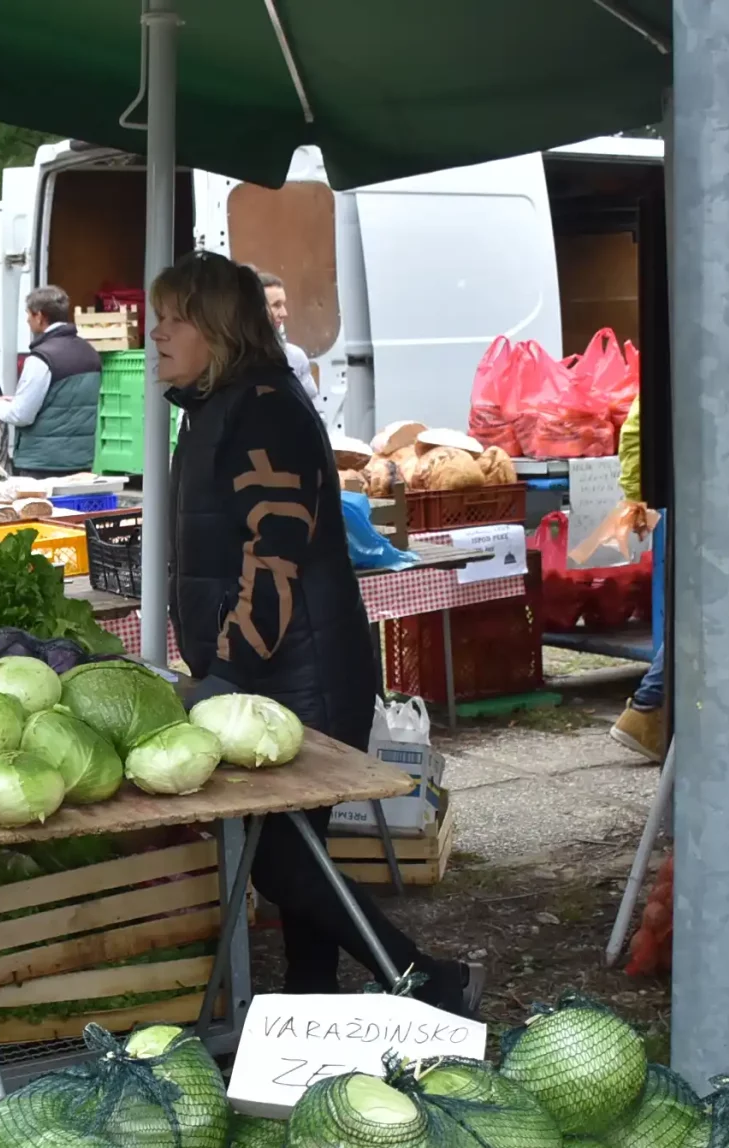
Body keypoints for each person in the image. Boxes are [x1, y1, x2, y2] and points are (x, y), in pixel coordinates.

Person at [152, 251, 483, 1015]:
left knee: (283, 859)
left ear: (220, 328)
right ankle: (314, 1010)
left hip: (296, 674)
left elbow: (276, 551)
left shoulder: (261, 409)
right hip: (274, 673)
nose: (158, 332)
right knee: (297, 852)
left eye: (175, 317)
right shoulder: (216, 406)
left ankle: (425, 978)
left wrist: (228, 670)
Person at [0, 284, 101, 477]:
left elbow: (22, 415)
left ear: (39, 316)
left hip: (42, 465)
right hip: (81, 461)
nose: (27, 320)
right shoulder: (90, 353)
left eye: (28, 314)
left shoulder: (41, 359)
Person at [608, 394, 667, 762]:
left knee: (701, 611)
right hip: (705, 498)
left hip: (695, 494)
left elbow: (634, 429)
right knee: (706, 612)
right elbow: (636, 428)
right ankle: (648, 707)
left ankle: (648, 708)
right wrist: (636, 498)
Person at [257, 269, 324, 407]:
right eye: (276, 305)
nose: (284, 313)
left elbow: (314, 412)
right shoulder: (230, 361)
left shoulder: (294, 357)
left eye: (283, 304)